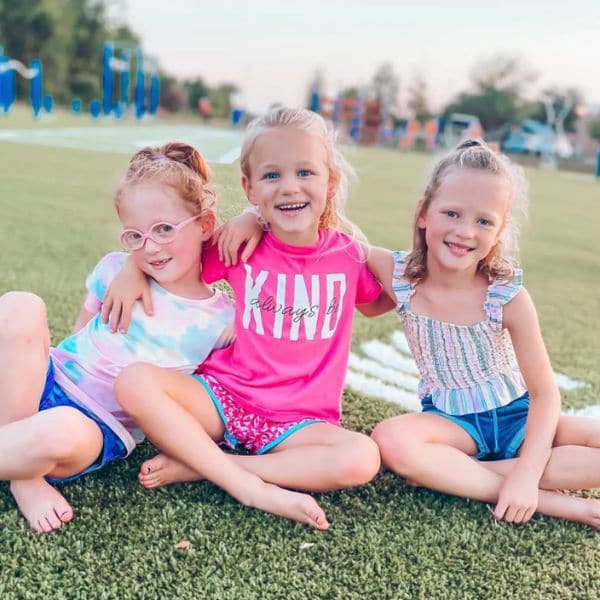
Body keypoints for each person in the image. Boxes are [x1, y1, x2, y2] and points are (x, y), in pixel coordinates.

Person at [107, 107, 395, 528]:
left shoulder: (348, 256)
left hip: (301, 424)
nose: (289, 187)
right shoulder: (237, 245)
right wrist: (130, 269)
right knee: (133, 382)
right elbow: (173, 255)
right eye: (272, 176)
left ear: (330, 182)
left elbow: (376, 302)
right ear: (250, 187)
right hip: (223, 399)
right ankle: (236, 477)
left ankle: (212, 466)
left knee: (362, 457)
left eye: (305, 173)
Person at [0, 142, 241, 533]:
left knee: (58, 429)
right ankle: (23, 474)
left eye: (165, 229)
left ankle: (22, 466)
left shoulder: (222, 320)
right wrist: (130, 267)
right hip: (42, 381)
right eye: (135, 236)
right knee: (20, 305)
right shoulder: (115, 268)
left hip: (94, 424)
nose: (151, 247)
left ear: (205, 225)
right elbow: (78, 332)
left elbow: (207, 398)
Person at [368, 139, 600, 527]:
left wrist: (528, 471)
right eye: (452, 213)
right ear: (423, 213)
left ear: (499, 230)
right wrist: (253, 219)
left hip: (518, 417)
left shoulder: (507, 296)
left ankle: (455, 473)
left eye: (483, 221)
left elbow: (545, 394)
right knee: (391, 440)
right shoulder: (398, 275)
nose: (464, 232)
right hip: (452, 425)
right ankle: (555, 503)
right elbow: (327, 238)